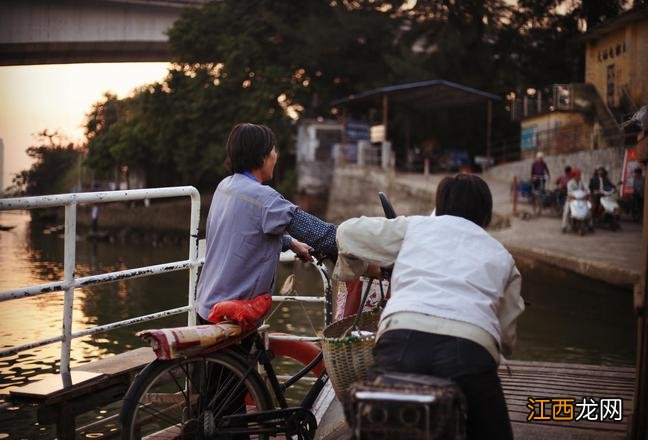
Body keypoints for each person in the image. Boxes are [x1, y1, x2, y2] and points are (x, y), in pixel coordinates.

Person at [334, 173, 524, 440]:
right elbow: (507, 336)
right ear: (486, 214)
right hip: (469, 350)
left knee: (371, 425)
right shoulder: (502, 256)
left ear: (441, 204)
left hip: (400, 341)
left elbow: (348, 232)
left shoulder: (416, 227)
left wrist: (358, 265)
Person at [195, 123, 337, 325]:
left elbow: (245, 234)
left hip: (207, 307)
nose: (275, 155)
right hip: (233, 315)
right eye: (273, 150)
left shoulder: (225, 187)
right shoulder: (266, 199)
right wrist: (357, 238)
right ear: (262, 157)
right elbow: (322, 235)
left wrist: (290, 243)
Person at [562, 167, 590, 233]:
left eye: (579, 175)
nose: (579, 176)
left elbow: (587, 189)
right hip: (572, 200)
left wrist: (587, 193)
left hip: (581, 199)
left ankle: (590, 225)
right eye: (578, 175)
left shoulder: (582, 182)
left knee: (589, 209)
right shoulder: (570, 183)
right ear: (574, 175)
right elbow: (569, 192)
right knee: (566, 211)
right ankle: (564, 226)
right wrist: (572, 196)